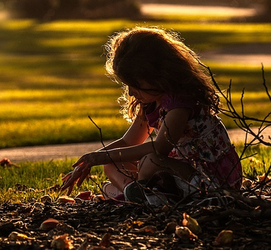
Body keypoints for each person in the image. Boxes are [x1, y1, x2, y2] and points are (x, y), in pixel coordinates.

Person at [60, 26, 242, 204]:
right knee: (112, 163)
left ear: (157, 75)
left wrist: (100, 157)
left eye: (135, 84)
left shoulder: (180, 104)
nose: (131, 93)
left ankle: (142, 195)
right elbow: (128, 142)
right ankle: (137, 192)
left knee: (150, 160)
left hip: (209, 179)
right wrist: (92, 159)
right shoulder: (150, 102)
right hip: (177, 172)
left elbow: (160, 148)